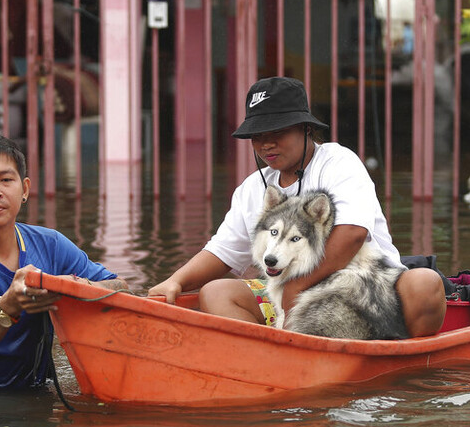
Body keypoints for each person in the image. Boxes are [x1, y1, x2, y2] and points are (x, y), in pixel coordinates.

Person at [148, 76, 446, 337]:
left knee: (425, 284)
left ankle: (394, 351)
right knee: (216, 292)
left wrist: (298, 286)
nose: (266, 145)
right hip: (290, 300)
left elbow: (353, 232)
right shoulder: (253, 188)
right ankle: (269, 361)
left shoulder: (338, 162)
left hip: (366, 290)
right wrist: (175, 282)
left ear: (305, 128)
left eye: (276, 132)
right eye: (257, 136)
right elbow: (222, 251)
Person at [0, 134, 126, 388]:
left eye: (6, 180)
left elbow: (121, 288)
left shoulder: (51, 244)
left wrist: (72, 285)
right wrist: (9, 303)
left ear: (25, 189)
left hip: (37, 389)